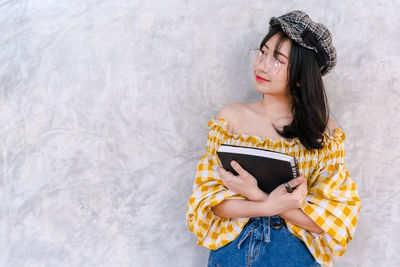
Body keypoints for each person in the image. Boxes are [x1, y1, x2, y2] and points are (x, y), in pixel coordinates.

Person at [185, 10, 361, 267]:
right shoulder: (231, 119)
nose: (262, 65)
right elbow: (208, 202)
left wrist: (256, 194)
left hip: (292, 256)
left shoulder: (323, 132)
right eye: (262, 52)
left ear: (301, 77)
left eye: (277, 60)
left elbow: (332, 222)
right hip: (232, 253)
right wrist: (267, 206)